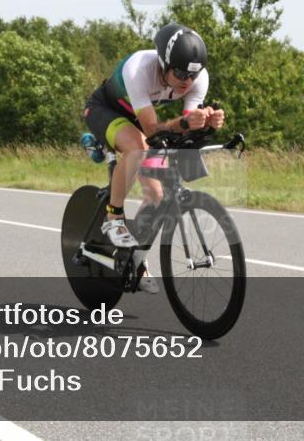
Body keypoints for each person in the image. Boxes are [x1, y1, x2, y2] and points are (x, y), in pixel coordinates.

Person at [83, 23, 225, 291]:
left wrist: (206, 123)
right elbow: (150, 130)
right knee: (137, 148)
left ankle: (134, 259)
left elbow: (185, 126)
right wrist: (185, 123)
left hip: (141, 117)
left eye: (193, 75)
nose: (187, 81)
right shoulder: (139, 69)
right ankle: (114, 218)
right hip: (107, 110)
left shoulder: (198, 78)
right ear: (163, 64)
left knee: (157, 195)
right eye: (180, 73)